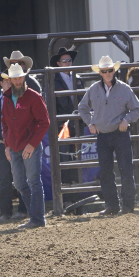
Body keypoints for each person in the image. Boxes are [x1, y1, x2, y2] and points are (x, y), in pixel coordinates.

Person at [78, 56, 139, 215]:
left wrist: (126, 120)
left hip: (119, 133)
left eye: (109, 70)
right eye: (104, 71)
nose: (107, 73)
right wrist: (90, 123)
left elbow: (138, 109)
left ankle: (128, 205)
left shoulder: (124, 88)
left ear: (114, 71)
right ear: (100, 73)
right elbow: (82, 108)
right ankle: (112, 205)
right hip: (103, 135)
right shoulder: (93, 89)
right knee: (106, 172)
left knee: (126, 170)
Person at [1, 63, 50, 229]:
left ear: (24, 77)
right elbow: (5, 124)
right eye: (15, 78)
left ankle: (37, 219)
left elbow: (44, 122)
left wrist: (31, 145)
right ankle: (34, 217)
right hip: (15, 147)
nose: (18, 80)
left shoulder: (34, 97)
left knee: (33, 181)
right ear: (10, 79)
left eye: (20, 77)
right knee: (21, 183)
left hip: (29, 146)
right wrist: (7, 145)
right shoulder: (7, 98)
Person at [0, 71, 28, 223]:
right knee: (6, 177)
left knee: (20, 176)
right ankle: (6, 211)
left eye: (10, 80)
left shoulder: (17, 99)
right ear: (1, 83)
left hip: (17, 143)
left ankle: (22, 209)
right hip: (5, 144)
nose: (9, 83)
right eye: (6, 80)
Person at [50, 47, 85, 186]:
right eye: (64, 61)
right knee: (64, 157)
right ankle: (67, 192)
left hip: (76, 123)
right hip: (62, 124)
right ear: (58, 63)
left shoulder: (78, 78)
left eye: (69, 60)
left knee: (77, 156)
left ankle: (76, 188)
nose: (67, 63)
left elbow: (83, 100)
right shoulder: (53, 80)